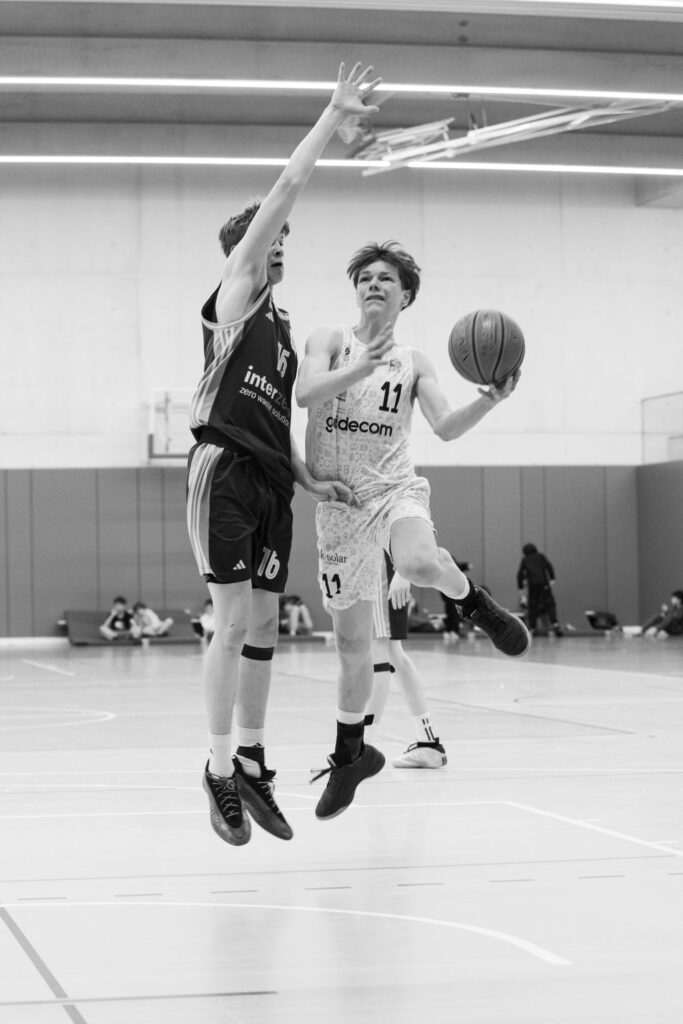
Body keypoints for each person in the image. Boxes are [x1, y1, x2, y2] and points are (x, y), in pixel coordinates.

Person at [185, 62, 380, 847]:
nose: (279, 251)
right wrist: (332, 116)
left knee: (264, 623)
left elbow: (279, 424)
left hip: (271, 479)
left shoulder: (284, 331)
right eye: (271, 241)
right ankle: (216, 769)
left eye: (281, 247)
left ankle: (253, 761)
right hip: (224, 470)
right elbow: (288, 186)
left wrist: (310, 478)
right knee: (232, 621)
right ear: (249, 247)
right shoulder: (236, 294)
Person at [297, 240, 529, 820]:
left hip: (393, 490)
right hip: (339, 506)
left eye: (386, 279)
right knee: (352, 647)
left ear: (405, 296)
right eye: (365, 278)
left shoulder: (415, 362)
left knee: (420, 563)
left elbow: (445, 426)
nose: (373, 285)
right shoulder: (329, 340)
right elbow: (304, 393)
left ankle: (475, 603)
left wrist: (489, 400)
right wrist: (360, 366)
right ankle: (350, 755)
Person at [364, 553, 447, 768]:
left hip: (381, 568)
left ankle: (362, 747)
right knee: (393, 653)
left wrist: (403, 573)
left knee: (379, 651)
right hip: (381, 567)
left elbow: (416, 533)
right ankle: (428, 741)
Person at [516, 542, 564, 637]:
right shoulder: (540, 557)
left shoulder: (525, 560)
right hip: (544, 583)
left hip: (533, 585)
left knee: (532, 606)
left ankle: (533, 628)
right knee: (549, 603)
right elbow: (549, 566)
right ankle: (555, 624)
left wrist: (520, 588)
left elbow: (520, 574)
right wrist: (552, 578)